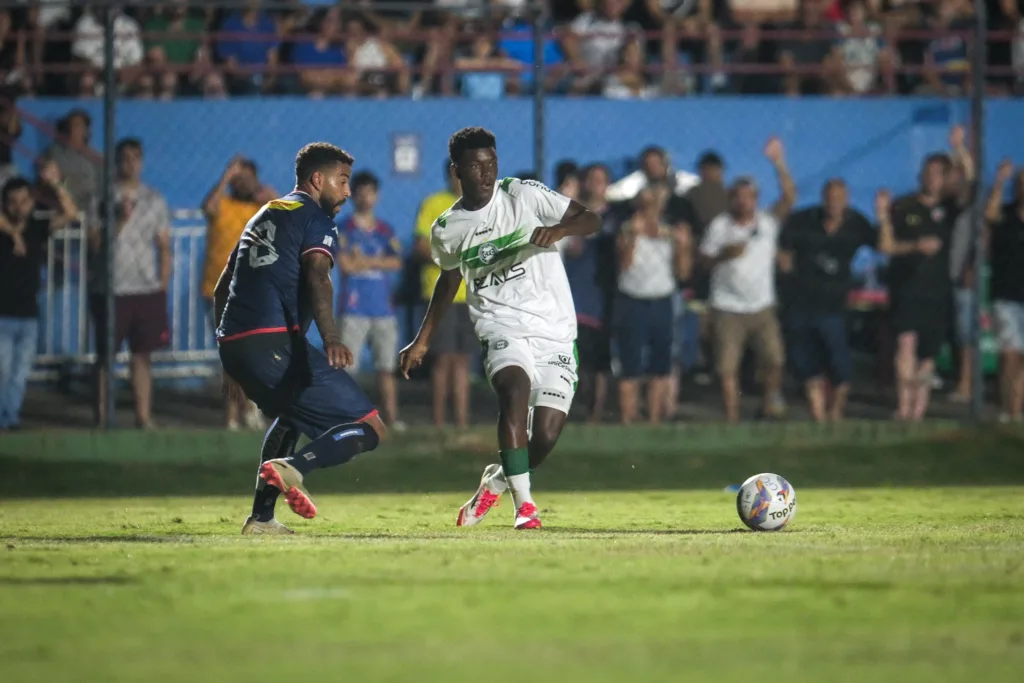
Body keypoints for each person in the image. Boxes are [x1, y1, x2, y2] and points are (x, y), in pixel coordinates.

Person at [399, 127, 599, 530]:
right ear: (457, 170)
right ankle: (525, 508)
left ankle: (496, 481)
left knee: (543, 434)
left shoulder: (523, 194)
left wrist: (560, 230)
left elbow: (590, 219)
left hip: (554, 329)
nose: (486, 173)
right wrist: (422, 340)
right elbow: (449, 280)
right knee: (514, 390)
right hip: (500, 324)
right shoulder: (447, 228)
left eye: (491, 163)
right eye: (476, 166)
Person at [214, 143, 387, 535]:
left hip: (238, 343)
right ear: (317, 180)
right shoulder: (317, 218)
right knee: (372, 427)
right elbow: (318, 276)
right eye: (341, 182)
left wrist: (228, 357)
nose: (346, 192)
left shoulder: (265, 213)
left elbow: (222, 288)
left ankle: (261, 520)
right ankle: (294, 468)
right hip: (273, 342)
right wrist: (331, 336)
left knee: (291, 417)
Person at [876, 126, 973, 422]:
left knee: (927, 357)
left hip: (937, 291)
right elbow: (886, 246)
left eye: (938, 173)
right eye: (928, 172)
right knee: (905, 346)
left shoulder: (950, 207)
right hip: (907, 288)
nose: (931, 178)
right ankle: (903, 407)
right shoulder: (904, 206)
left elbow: (971, 180)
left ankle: (918, 411)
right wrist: (912, 243)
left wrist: (959, 147)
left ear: (945, 178)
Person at [699, 138, 796, 423]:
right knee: (727, 368)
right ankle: (732, 418)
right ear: (732, 199)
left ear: (756, 198)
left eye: (748, 196)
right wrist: (723, 256)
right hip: (727, 307)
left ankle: (769, 405)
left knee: (775, 360)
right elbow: (702, 261)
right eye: (738, 196)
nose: (743, 202)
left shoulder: (766, 223)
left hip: (762, 307)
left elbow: (789, 198)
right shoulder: (720, 226)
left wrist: (778, 162)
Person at [89, 138, 172, 429]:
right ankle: (102, 418)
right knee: (106, 358)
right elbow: (97, 244)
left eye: (135, 157)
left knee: (142, 357)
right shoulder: (101, 199)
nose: (130, 163)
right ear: (116, 162)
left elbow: (163, 245)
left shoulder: (154, 199)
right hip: (111, 288)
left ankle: (143, 416)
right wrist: (119, 220)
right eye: (124, 157)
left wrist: (162, 284)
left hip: (146, 289)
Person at [778, 179, 876, 422]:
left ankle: (836, 410)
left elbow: (881, 245)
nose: (834, 203)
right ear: (823, 197)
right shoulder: (804, 220)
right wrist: (787, 276)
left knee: (839, 361)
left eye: (839, 198)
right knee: (805, 360)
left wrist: (883, 214)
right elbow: (784, 251)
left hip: (834, 305)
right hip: (801, 301)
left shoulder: (856, 223)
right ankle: (818, 415)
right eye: (830, 197)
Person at [201, 155, 276, 430]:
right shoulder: (223, 205)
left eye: (247, 178)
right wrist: (225, 176)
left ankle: (243, 411)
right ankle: (240, 414)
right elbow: (208, 207)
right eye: (238, 178)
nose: (243, 183)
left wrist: (274, 197)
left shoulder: (261, 209)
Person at [0, 176, 76, 430]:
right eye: (12, 202)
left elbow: (70, 212)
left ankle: (11, 417)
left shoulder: (36, 229)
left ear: (31, 202)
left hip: (28, 314)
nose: (18, 207)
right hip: (3, 314)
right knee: (2, 371)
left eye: (23, 201)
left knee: (19, 373)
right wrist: (12, 234)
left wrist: (56, 184)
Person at [615, 186, 690, 424]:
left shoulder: (670, 232)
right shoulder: (627, 229)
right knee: (631, 363)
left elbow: (683, 272)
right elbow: (624, 265)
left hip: (661, 300)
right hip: (633, 300)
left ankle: (654, 419)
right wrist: (634, 237)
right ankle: (628, 418)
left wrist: (682, 246)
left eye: (655, 202)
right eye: (646, 203)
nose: (650, 208)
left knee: (660, 364)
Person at [336, 171, 404, 431]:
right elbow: (345, 265)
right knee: (347, 370)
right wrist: (377, 262)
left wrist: (364, 261)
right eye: (360, 192)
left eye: (370, 192)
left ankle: (392, 418)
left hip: (382, 309)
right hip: (353, 308)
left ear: (377, 195)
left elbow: (396, 261)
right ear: (352, 195)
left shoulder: (385, 230)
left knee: (386, 368)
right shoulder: (344, 228)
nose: (365, 197)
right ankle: (345, 419)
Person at [412, 162, 473, 428]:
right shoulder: (435, 204)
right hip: (441, 293)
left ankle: (461, 420)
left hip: (470, 295)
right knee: (442, 359)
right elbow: (421, 247)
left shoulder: (480, 207)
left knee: (463, 361)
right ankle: (438, 421)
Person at [985, 160, 1024, 422]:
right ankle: (1006, 409)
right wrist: (999, 181)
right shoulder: (1006, 214)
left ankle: (1015, 411)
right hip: (1006, 294)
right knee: (1009, 354)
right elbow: (989, 216)